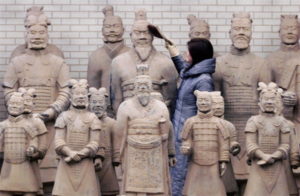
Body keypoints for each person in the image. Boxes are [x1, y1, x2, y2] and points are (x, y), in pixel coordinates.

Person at [165, 37, 215, 196]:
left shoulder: (204, 80)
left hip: (188, 135)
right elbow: (184, 70)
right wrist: (174, 53)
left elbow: (206, 110)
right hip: (178, 130)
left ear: (197, 55)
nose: (186, 53)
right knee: (176, 171)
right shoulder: (193, 73)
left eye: (189, 51)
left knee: (181, 174)